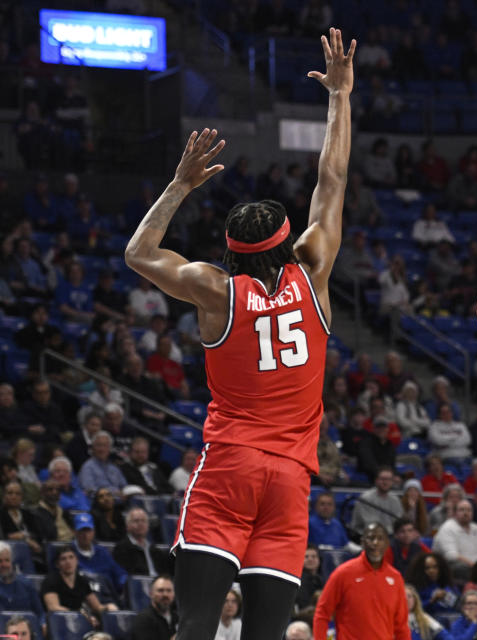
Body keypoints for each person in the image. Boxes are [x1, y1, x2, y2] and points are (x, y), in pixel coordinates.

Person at [122, 28, 354, 640]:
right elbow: (331, 180)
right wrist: (340, 97)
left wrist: (179, 185)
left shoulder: (216, 290)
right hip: (290, 480)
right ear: (287, 244)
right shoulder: (315, 270)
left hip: (230, 468)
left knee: (195, 626)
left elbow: (140, 255)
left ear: (230, 250)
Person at [314, 522, 410, 640]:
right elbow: (322, 613)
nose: (375, 543)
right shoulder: (343, 573)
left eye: (380, 539)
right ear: (362, 542)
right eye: (371, 538)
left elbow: (401, 626)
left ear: (387, 544)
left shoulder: (396, 578)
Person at [41, 546, 116, 622]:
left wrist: (107, 607)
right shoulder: (51, 581)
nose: (68, 562)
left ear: (77, 560)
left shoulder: (82, 580)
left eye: (71, 557)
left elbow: (96, 607)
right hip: (59, 621)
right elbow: (53, 608)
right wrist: (79, 615)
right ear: (57, 564)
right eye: (63, 559)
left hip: (77, 620)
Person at [71, 513, 128, 604]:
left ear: (93, 532)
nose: (85, 535)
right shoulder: (69, 553)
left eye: (88, 530)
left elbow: (119, 573)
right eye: (82, 531)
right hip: (83, 599)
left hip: (107, 598)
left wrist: (125, 582)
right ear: (75, 532)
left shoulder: (102, 552)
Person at [432, 499, 477, 580]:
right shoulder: (447, 528)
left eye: (469, 510)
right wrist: (476, 567)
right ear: (455, 513)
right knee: (459, 567)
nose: (466, 513)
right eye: (462, 510)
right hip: (459, 568)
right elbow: (452, 555)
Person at [113, 507, 171, 576]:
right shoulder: (121, 549)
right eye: (136, 521)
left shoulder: (155, 550)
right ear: (127, 526)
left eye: (143, 521)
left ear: (148, 525)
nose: (140, 524)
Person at [350, 467, 403, 535]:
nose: (385, 482)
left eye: (389, 479)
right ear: (376, 480)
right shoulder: (366, 498)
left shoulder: (395, 500)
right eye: (383, 479)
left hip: (389, 536)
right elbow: (371, 526)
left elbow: (398, 523)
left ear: (392, 482)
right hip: (366, 535)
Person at [0, 542, 44, 621]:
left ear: (12, 562)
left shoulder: (26, 583)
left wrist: (43, 623)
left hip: (25, 628)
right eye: (0, 561)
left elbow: (40, 613)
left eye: (7, 560)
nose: (4, 565)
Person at [78, 432, 128, 499]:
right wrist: (112, 493)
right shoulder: (88, 467)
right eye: (99, 445)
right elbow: (89, 491)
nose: (102, 449)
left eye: (105, 445)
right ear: (92, 448)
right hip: (101, 505)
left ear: (110, 448)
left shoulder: (114, 468)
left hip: (121, 503)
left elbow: (125, 487)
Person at [131, 575, 178, 640]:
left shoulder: (178, 618)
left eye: (169, 590)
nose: (165, 594)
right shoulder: (143, 620)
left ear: (174, 594)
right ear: (151, 594)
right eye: (160, 590)